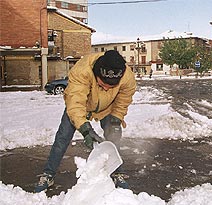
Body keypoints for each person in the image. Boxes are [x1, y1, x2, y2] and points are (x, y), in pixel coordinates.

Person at [35, 50, 136, 192]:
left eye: (111, 86)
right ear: (96, 75)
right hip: (81, 105)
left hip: (107, 108)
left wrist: (116, 119)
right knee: (62, 138)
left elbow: (123, 99)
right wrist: (85, 130)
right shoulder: (82, 70)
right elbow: (75, 103)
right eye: (103, 84)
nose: (106, 88)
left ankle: (117, 172)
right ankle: (48, 174)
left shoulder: (127, 77)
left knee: (114, 136)